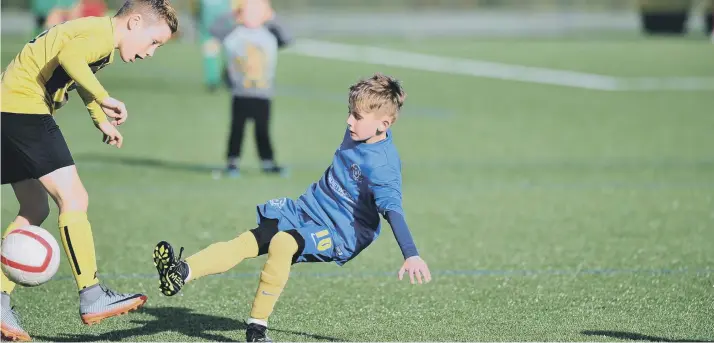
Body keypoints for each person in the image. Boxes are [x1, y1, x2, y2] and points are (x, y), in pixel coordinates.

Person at [153, 73, 432, 342]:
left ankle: (257, 329)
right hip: (307, 209)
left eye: (357, 116)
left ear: (383, 124)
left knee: (284, 243)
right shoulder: (360, 132)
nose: (348, 121)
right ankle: (182, 272)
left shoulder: (383, 165)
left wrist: (412, 255)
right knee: (252, 238)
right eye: (349, 112)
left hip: (342, 231)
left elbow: (393, 210)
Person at [0, 1, 178, 341]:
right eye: (153, 41)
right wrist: (104, 96)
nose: (152, 52)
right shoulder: (99, 33)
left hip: (6, 107)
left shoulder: (100, 39)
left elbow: (75, 72)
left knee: (35, 208)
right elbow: (70, 58)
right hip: (23, 107)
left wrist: (100, 118)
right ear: (135, 22)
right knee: (74, 197)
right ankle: (92, 295)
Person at [210, 0, 288, 177]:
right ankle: (232, 162)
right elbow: (213, 30)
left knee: (262, 129)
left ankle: (268, 163)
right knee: (237, 129)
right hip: (240, 93)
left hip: (263, 94)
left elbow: (287, 37)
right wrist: (234, 14)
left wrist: (271, 15)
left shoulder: (269, 34)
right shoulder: (234, 33)